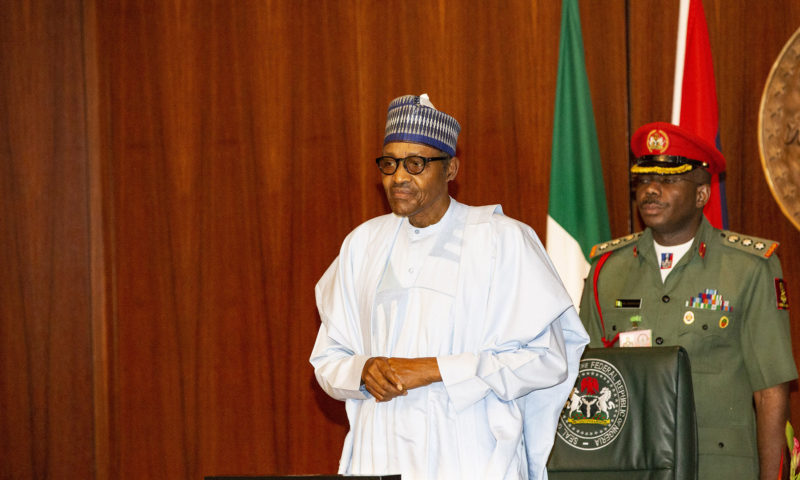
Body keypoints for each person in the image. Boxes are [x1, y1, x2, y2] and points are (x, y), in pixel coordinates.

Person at [309, 93, 589, 480]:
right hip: (380, 450)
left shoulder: (502, 240)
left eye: (416, 164)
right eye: (389, 164)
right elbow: (327, 360)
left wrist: (435, 369)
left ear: (451, 168)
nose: (399, 177)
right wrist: (362, 370)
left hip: (469, 451)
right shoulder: (362, 244)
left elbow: (547, 359)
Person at [579, 121, 797, 480]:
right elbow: (589, 379)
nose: (651, 190)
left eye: (668, 180)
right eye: (643, 180)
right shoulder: (607, 270)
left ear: (701, 195)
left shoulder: (748, 267)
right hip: (633, 465)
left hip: (718, 468)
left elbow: (771, 391)